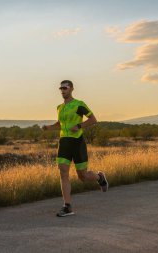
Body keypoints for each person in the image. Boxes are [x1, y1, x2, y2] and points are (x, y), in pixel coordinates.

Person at [42, 80, 108, 217]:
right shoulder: (59, 107)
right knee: (63, 172)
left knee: (82, 176)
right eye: (60, 88)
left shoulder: (79, 104)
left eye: (65, 88)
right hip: (64, 142)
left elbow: (93, 120)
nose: (62, 90)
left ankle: (99, 177)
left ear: (71, 89)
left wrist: (78, 126)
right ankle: (67, 206)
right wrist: (49, 128)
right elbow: (60, 124)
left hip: (77, 143)